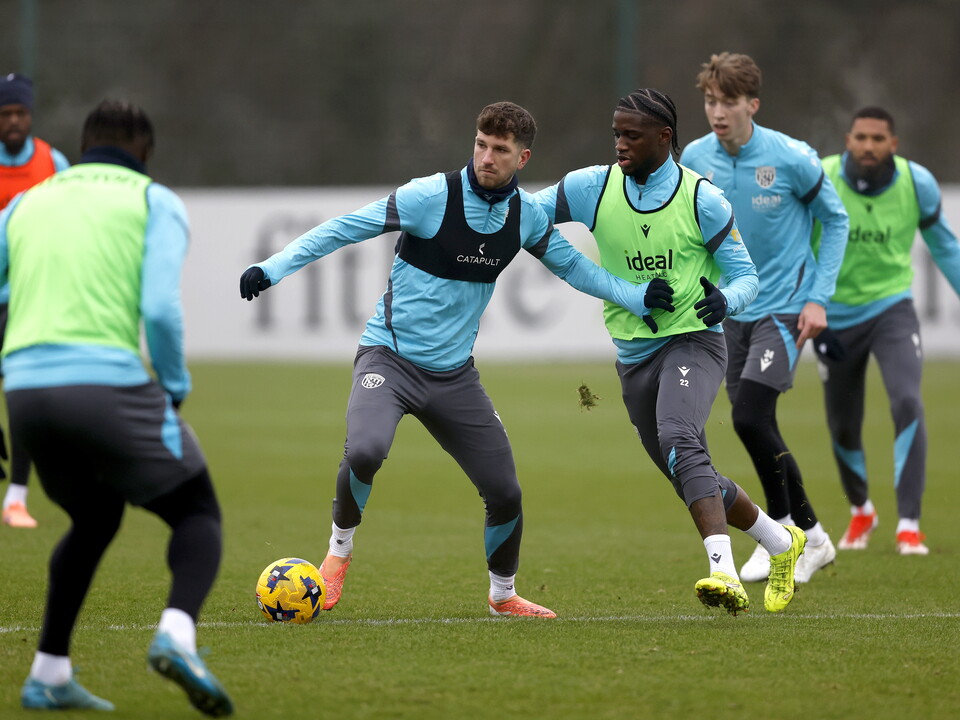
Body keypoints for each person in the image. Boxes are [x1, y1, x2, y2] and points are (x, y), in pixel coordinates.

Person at [240, 101, 657, 619]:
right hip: (388, 361)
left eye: (500, 150)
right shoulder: (429, 196)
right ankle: (338, 555)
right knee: (366, 450)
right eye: (481, 144)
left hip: (454, 376)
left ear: (522, 158)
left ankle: (503, 596)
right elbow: (343, 229)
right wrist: (272, 267)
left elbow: (575, 267)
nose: (486, 157)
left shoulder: (526, 216)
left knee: (505, 491)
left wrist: (636, 297)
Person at [534, 88, 806, 616]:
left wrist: (725, 299)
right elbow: (527, 219)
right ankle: (781, 542)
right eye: (616, 133)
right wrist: (616, 288)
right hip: (633, 354)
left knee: (681, 437)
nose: (619, 144)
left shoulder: (701, 198)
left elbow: (748, 277)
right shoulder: (591, 187)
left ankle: (722, 571)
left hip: (694, 341)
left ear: (665, 137)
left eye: (631, 135)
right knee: (689, 468)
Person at [0, 100, 233, 715]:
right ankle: (177, 636)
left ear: (82, 147)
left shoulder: (27, 203)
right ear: (146, 153)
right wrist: (174, 386)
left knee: (96, 516)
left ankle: (48, 672)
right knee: (196, 511)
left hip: (24, 393)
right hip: (104, 384)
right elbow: (158, 309)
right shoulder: (154, 201)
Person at [680, 52, 849, 584]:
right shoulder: (694, 156)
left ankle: (780, 532)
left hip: (783, 305)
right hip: (729, 309)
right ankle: (815, 538)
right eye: (710, 100)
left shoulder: (792, 158)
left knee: (752, 415)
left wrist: (819, 297)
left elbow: (835, 221)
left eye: (728, 101)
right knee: (755, 422)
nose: (718, 111)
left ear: (753, 104)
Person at [812, 107, 960, 555]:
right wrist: (809, 311)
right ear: (847, 140)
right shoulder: (821, 178)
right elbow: (796, 246)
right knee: (843, 425)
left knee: (907, 400)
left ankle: (909, 524)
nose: (869, 146)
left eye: (878, 138)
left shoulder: (918, 184)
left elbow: (946, 249)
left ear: (893, 144)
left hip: (892, 309)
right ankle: (862, 512)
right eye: (861, 137)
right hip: (833, 317)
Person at [0, 72, 70, 529]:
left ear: (31, 115)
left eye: (19, 112)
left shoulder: (53, 162)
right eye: (5, 113)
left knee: (23, 392)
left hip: (27, 298)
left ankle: (17, 497)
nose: (13, 121)